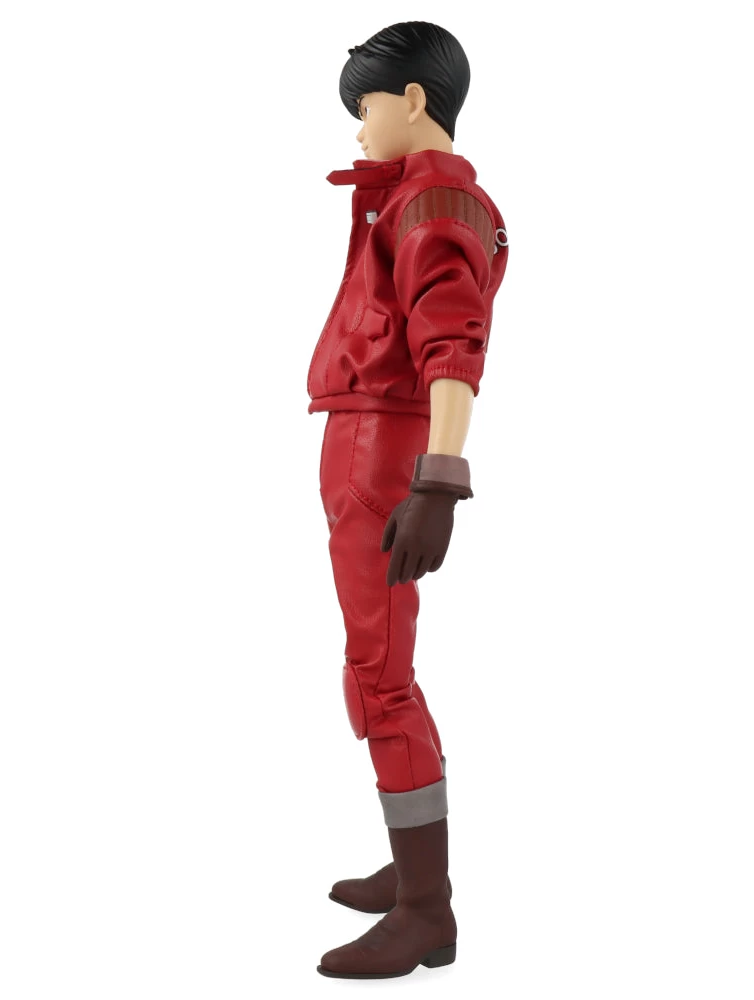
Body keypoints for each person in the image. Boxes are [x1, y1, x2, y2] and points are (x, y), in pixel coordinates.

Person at [307, 21, 509, 979]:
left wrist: (438, 479)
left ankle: (426, 908)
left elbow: (452, 348)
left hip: (384, 450)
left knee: (379, 674)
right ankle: (414, 865)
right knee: (378, 667)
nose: (358, 128)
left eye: (367, 105)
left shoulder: (432, 202)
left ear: (416, 100)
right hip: (368, 441)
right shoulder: (412, 200)